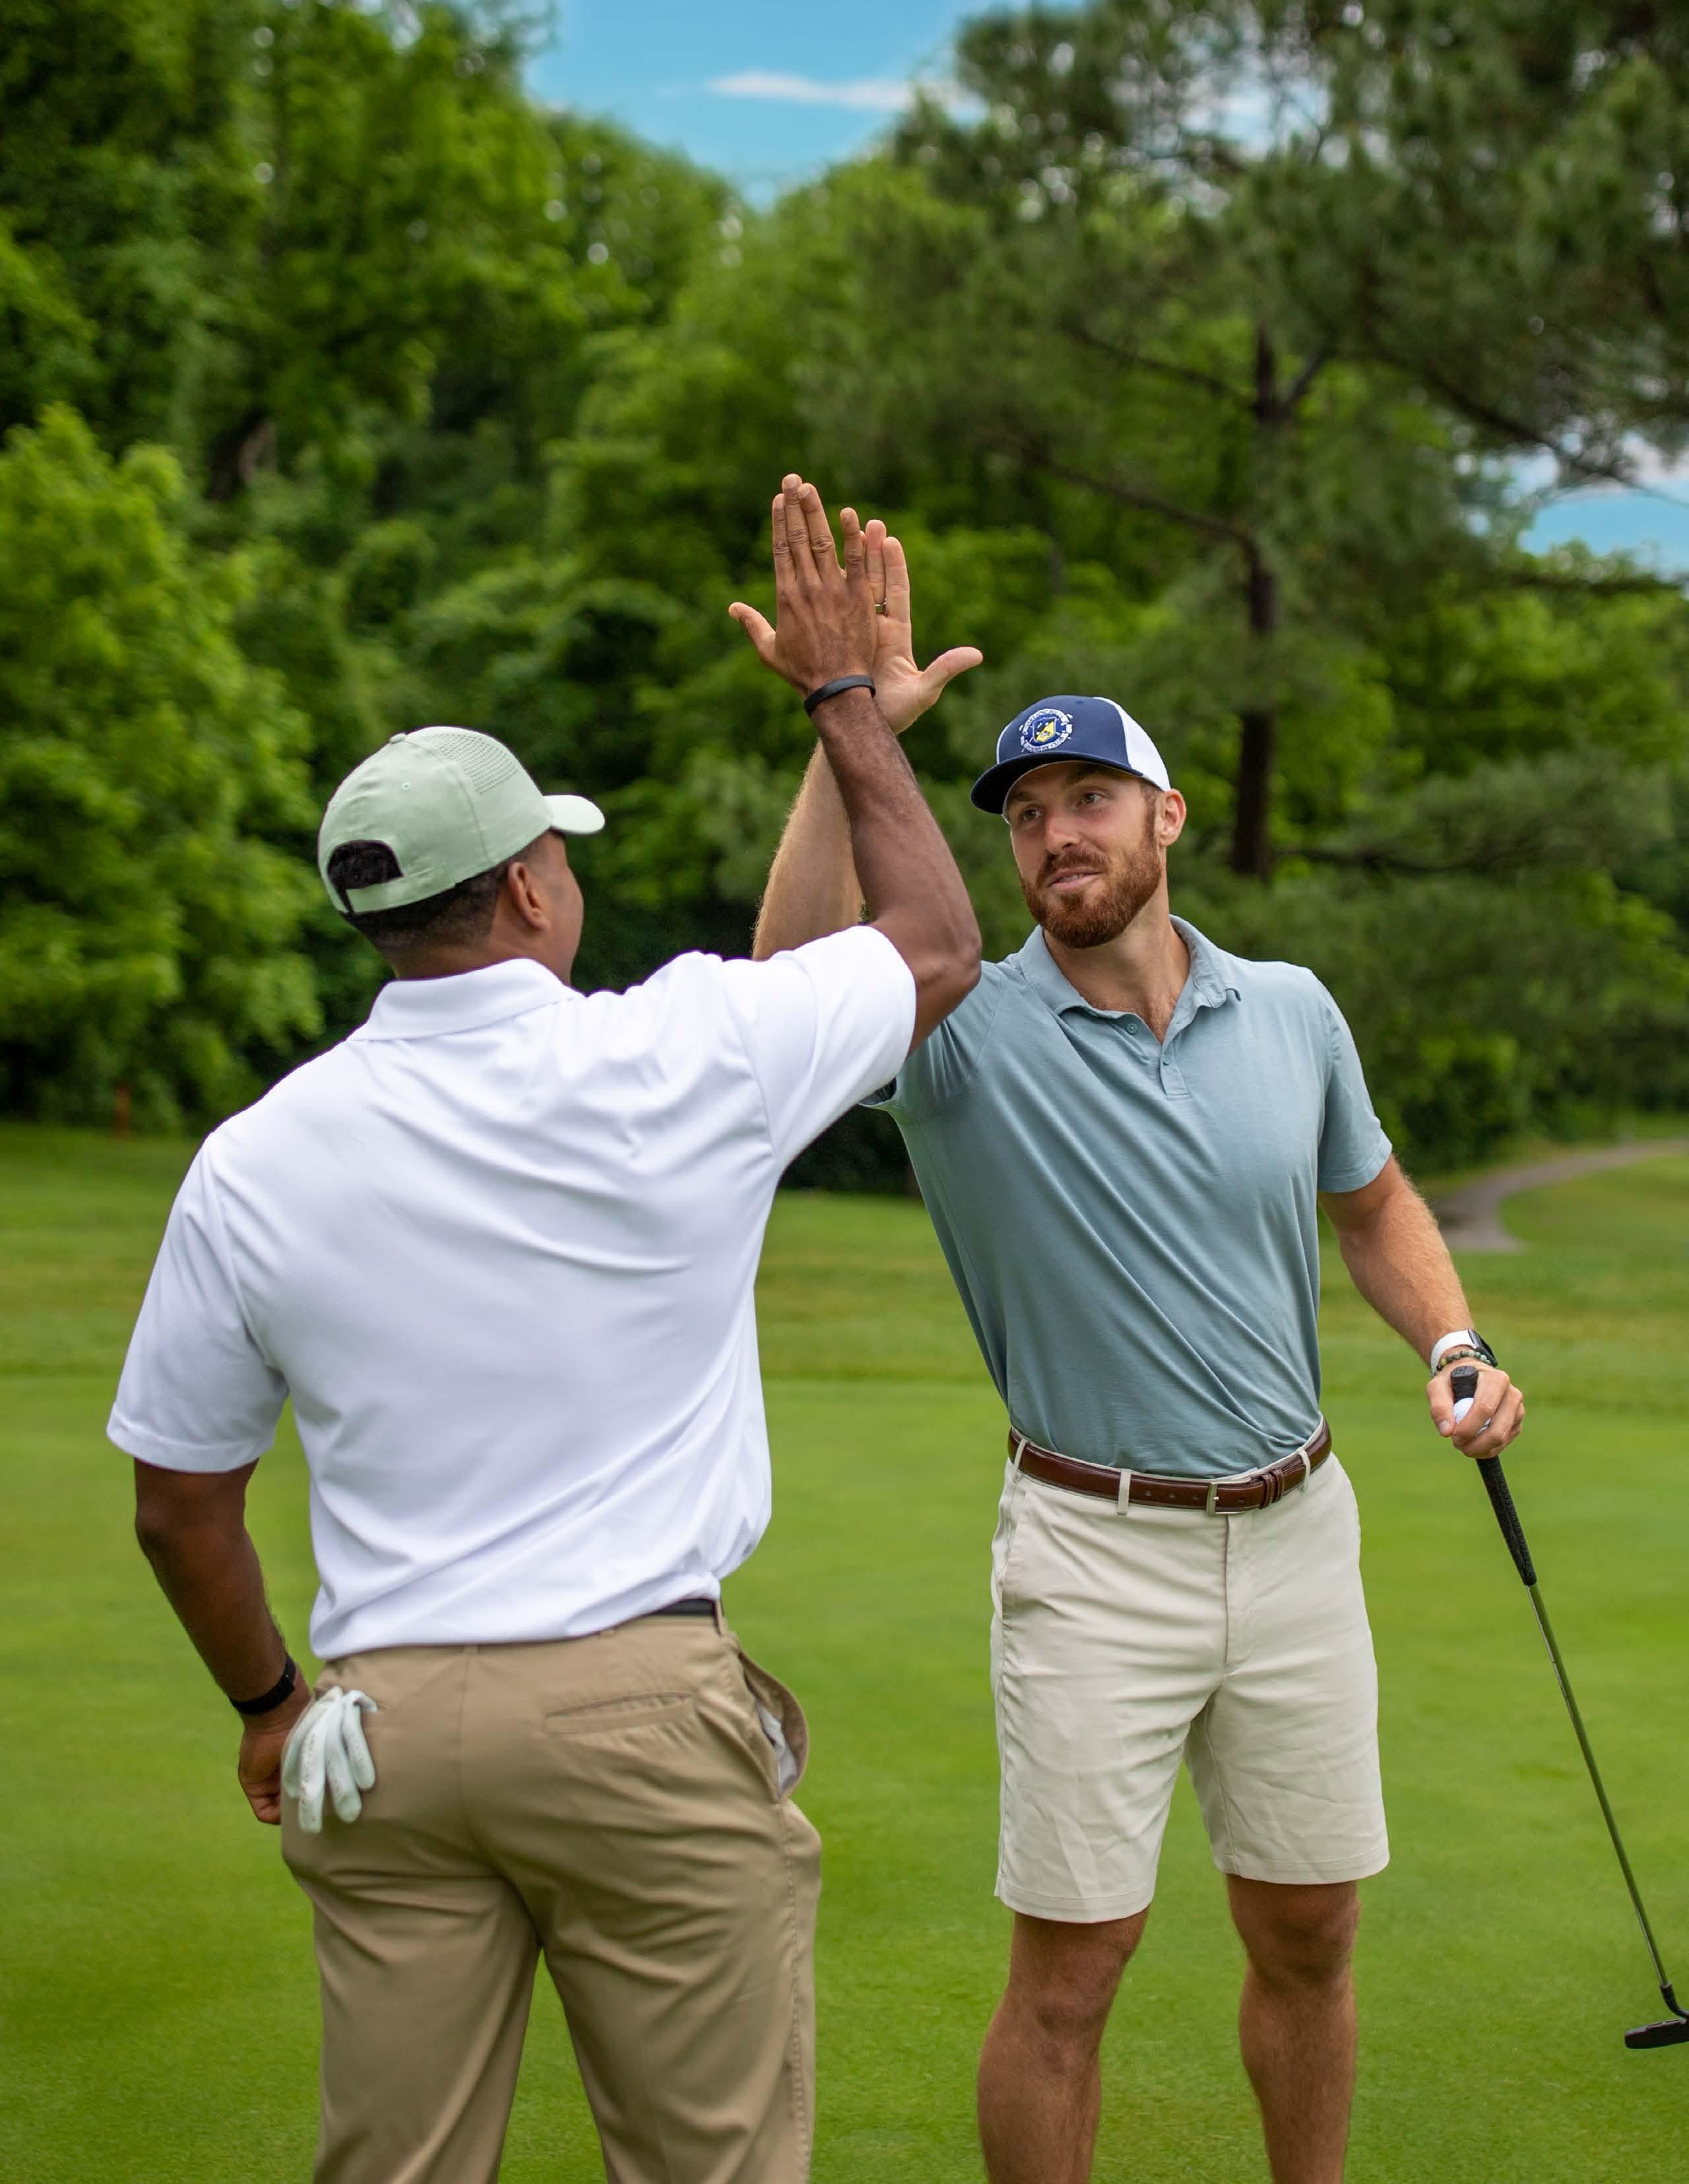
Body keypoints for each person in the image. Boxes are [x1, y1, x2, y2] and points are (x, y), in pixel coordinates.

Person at [110, 476, 979, 2184]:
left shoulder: (254, 1153)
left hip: (385, 1732)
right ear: (524, 891)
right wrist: (846, 705)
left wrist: (271, 1698)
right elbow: (932, 942)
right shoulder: (674, 1056)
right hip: (638, 1713)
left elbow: (175, 1499)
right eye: (559, 852)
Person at [742, 528, 1526, 2184]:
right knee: (1070, 1973)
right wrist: (849, 729)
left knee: (1310, 1932)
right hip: (1093, 1548)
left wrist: (1450, 1337)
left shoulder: (1292, 1011)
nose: (1050, 833)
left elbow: (1373, 1203)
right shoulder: (958, 1025)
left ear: (1162, 817)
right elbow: (781, 981)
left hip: (1300, 1530)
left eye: (1085, 798)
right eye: (1023, 815)